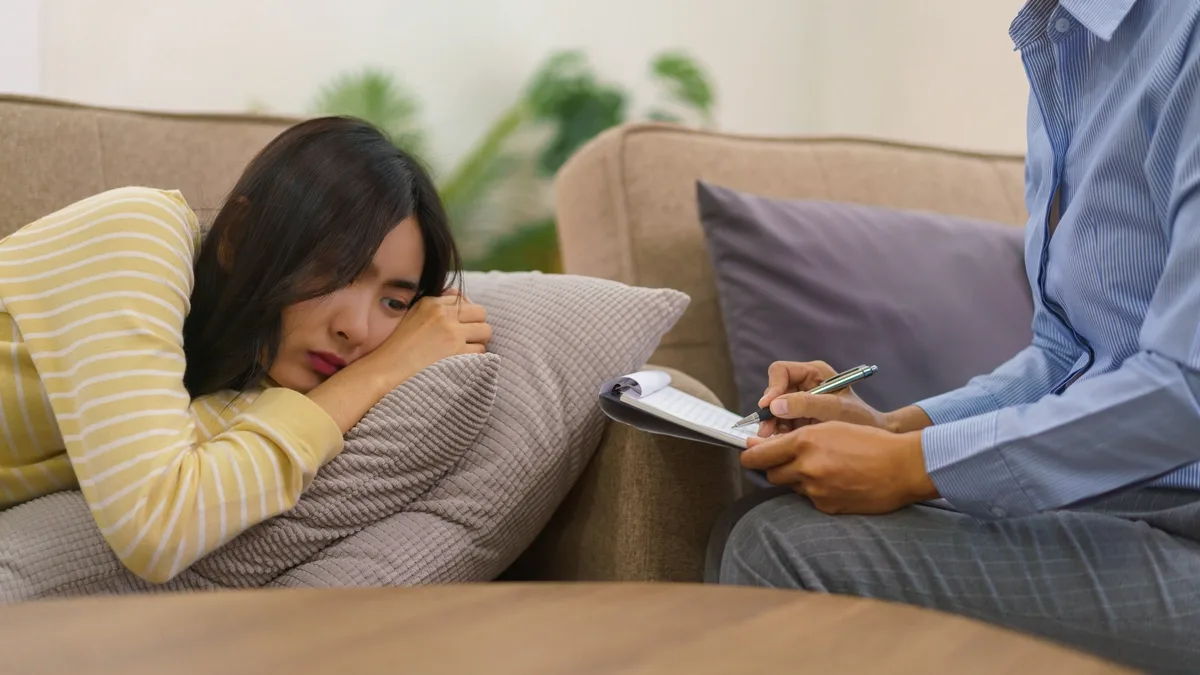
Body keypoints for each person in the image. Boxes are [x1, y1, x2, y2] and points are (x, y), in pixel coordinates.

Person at [713, 1, 1200, 671]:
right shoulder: (1062, 42)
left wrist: (913, 466)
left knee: (785, 549)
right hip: (1142, 496)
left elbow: (1188, 389)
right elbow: (1070, 355)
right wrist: (895, 429)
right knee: (756, 528)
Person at [0, 116, 492, 584]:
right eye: (337, 269)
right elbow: (156, 526)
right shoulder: (138, 232)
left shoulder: (251, 383)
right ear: (237, 237)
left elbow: (182, 481)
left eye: (394, 302)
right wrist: (376, 374)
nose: (356, 329)